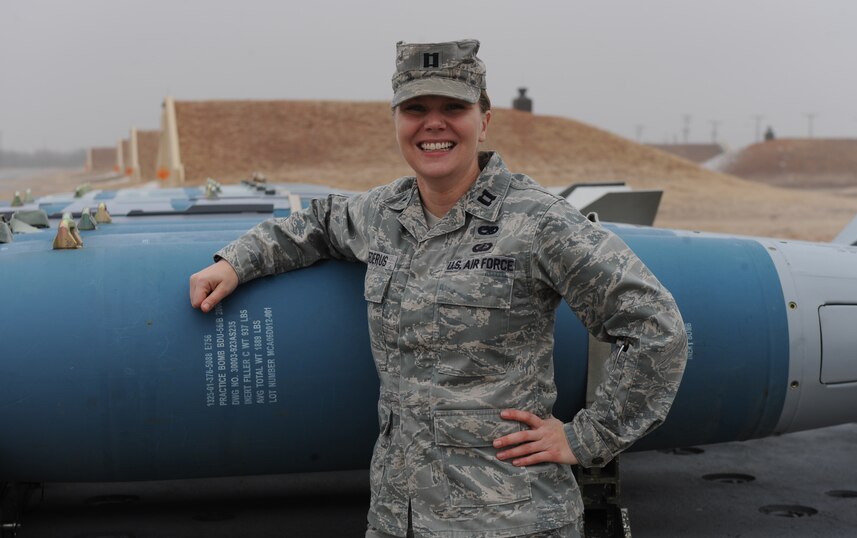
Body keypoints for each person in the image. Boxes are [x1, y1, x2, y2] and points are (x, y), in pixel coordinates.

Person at [189, 39, 687, 538]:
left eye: (454, 107)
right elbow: (317, 223)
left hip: (509, 521)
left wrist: (587, 438)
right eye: (415, 109)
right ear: (397, 121)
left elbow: (657, 327)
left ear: (484, 120)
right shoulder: (383, 214)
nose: (433, 123)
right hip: (396, 516)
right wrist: (235, 263)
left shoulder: (539, 221)